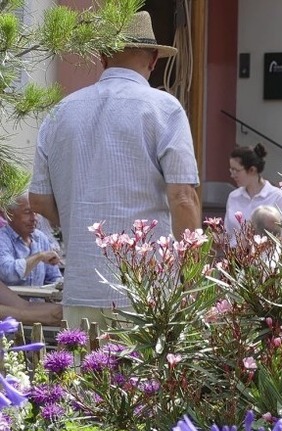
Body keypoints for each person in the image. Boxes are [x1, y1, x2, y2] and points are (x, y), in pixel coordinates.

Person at [29, 11, 200, 328]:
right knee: (145, 377)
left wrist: (74, 219)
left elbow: (38, 200)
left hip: (82, 286)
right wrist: (191, 279)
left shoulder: (60, 112)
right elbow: (183, 198)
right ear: (152, 60)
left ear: (104, 57)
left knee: (85, 375)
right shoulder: (164, 108)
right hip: (147, 287)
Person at [225, 143, 282, 245]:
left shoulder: (277, 197)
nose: (232, 175)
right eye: (231, 169)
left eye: (236, 170)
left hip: (267, 257)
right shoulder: (233, 197)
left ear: (252, 170)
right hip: (236, 257)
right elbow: (228, 232)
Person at [0, 194, 62, 288]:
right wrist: (39, 256)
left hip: (39, 302)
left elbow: (54, 277)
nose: (34, 219)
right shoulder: (2, 238)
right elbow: (9, 274)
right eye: (27, 212)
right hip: (9, 302)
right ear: (10, 214)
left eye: (36, 213)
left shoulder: (40, 238)